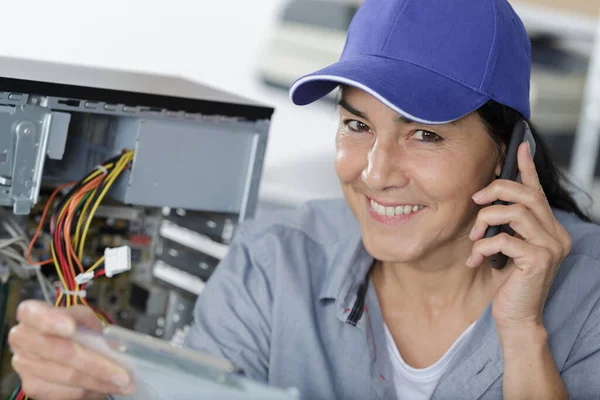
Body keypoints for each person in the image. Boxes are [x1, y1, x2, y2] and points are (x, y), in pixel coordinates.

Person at [8, 0, 600, 399]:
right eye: (356, 125)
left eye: (425, 133)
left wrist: (523, 330)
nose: (375, 172)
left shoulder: (590, 292)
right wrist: (105, 378)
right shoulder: (274, 261)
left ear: (508, 148)